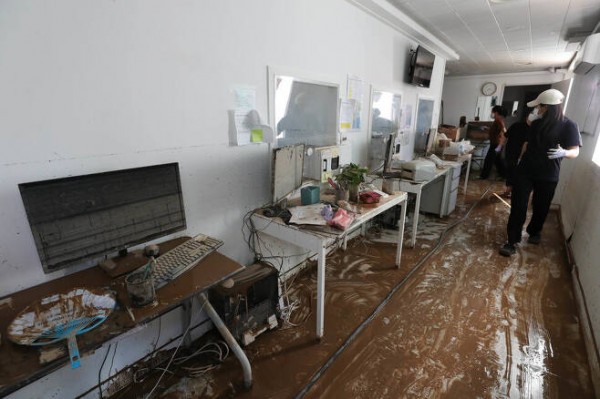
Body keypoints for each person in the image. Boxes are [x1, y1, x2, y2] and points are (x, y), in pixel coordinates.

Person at [499, 89, 581, 256]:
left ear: (548, 107)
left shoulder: (569, 125)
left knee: (541, 206)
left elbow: (575, 151)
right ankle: (511, 240)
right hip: (526, 171)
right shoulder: (536, 123)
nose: (537, 110)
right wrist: (520, 160)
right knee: (518, 206)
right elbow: (527, 144)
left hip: (548, 174)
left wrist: (564, 152)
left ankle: (535, 231)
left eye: (539, 107)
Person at [501, 116, 530, 197]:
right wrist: (500, 146)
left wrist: (520, 157)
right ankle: (509, 190)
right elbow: (506, 135)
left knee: (515, 172)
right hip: (511, 153)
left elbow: (526, 145)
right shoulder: (517, 125)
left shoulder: (533, 129)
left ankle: (511, 191)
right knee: (511, 171)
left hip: (520, 155)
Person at [479, 105, 508, 179]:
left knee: (489, 160)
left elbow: (504, 133)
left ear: (497, 113)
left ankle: (483, 176)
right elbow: (495, 131)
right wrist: (487, 129)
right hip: (496, 144)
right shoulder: (497, 121)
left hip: (496, 145)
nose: (492, 113)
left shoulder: (499, 121)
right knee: (497, 161)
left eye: (493, 112)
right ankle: (504, 175)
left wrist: (499, 146)